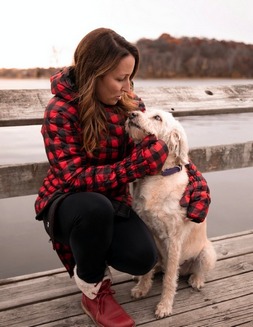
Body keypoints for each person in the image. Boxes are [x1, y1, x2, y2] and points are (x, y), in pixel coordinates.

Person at [35, 28, 211, 327]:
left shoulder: (128, 101)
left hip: (115, 201)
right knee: (93, 207)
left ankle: (98, 254)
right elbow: (73, 178)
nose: (128, 87)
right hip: (68, 204)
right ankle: (94, 291)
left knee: (142, 258)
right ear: (94, 73)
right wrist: (136, 167)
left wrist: (196, 180)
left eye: (131, 78)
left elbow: (163, 145)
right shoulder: (60, 111)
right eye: (120, 78)